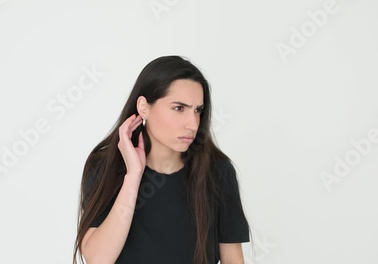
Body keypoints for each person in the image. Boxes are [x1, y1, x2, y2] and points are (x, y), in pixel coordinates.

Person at [73, 55, 252, 264]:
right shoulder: (104, 167)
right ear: (143, 107)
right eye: (179, 108)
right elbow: (99, 259)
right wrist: (133, 175)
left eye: (198, 110)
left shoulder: (217, 171)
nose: (193, 124)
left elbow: (233, 260)